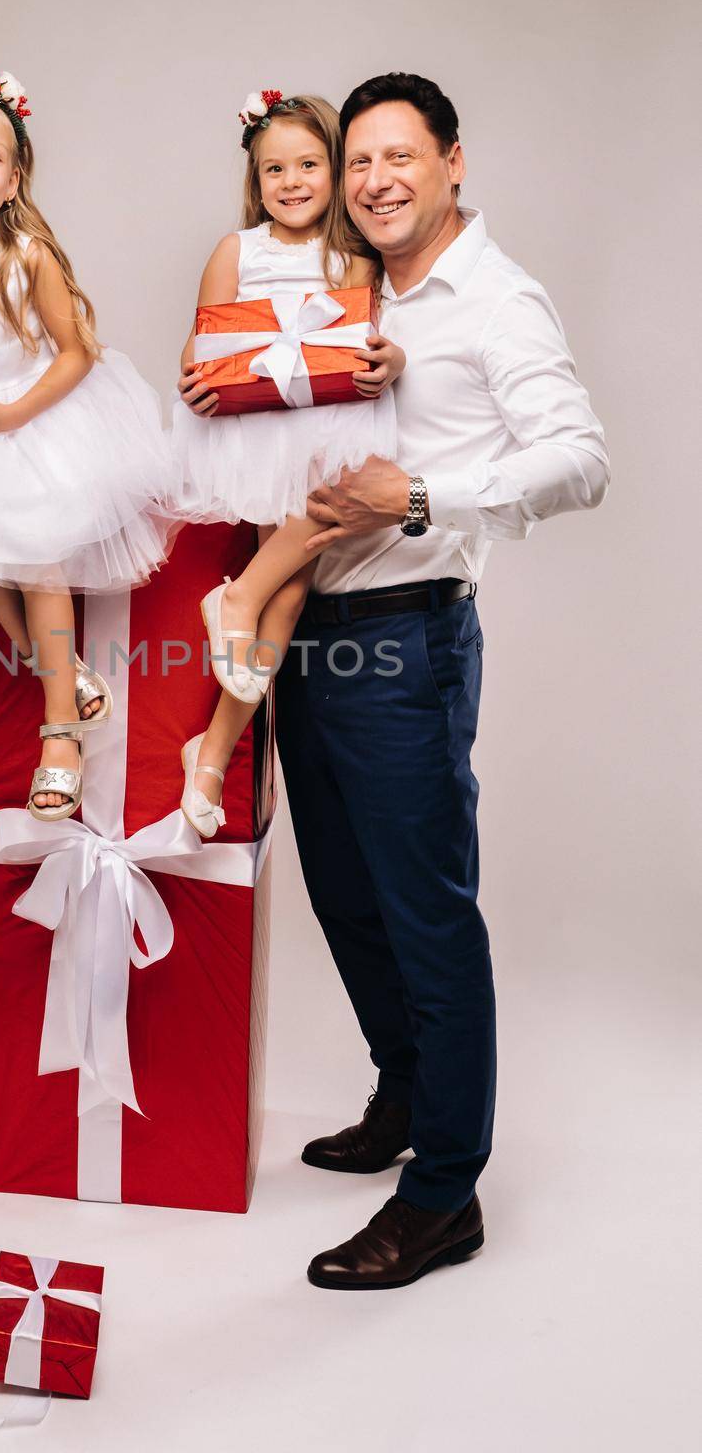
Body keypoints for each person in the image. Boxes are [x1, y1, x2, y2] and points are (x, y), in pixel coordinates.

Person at [273, 73, 610, 1288]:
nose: (370, 181)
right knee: (342, 895)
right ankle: (402, 1093)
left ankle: (442, 1193)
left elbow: (578, 461)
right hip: (309, 630)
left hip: (408, 636)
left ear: (453, 161)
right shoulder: (350, 287)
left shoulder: (495, 301)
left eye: (397, 157)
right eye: (355, 160)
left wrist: (414, 497)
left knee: (424, 914)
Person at [0, 71, 176, 821]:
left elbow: (76, 352)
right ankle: (58, 667)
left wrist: (13, 415)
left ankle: (60, 733)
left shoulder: (25, 257)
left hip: (35, 415)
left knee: (33, 550)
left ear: (14, 179)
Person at [171, 91, 405, 838]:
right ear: (254, 177)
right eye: (274, 169)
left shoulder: (358, 254)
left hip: (333, 420)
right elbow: (203, 344)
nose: (292, 181)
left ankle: (209, 752)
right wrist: (196, 382)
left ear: (334, 171)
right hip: (266, 429)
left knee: (293, 590)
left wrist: (387, 363)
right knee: (295, 577)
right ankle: (233, 622)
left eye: (307, 164)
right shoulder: (238, 249)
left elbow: (383, 337)